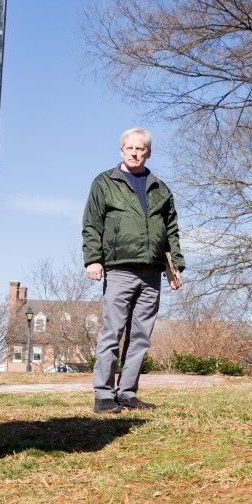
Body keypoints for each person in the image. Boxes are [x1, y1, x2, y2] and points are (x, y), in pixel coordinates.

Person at [82, 127, 184, 413]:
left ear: (148, 152)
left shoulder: (160, 188)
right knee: (112, 332)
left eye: (141, 149)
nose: (135, 152)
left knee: (140, 336)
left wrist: (175, 267)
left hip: (152, 272)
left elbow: (172, 231)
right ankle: (103, 394)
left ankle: (127, 393)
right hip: (119, 269)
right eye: (130, 148)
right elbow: (92, 224)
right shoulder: (104, 182)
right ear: (122, 151)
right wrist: (93, 259)